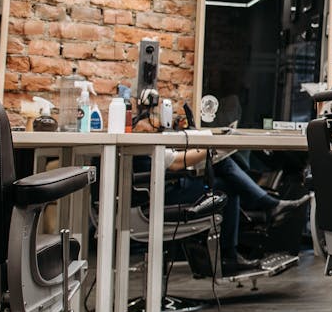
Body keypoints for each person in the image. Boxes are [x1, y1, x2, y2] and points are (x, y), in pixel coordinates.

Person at [133, 118, 310, 276]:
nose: (154, 129)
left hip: (162, 191)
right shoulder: (145, 144)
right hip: (161, 197)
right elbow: (179, 162)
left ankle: (264, 212)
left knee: (224, 174)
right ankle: (266, 210)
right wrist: (217, 147)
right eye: (150, 126)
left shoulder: (143, 143)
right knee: (225, 182)